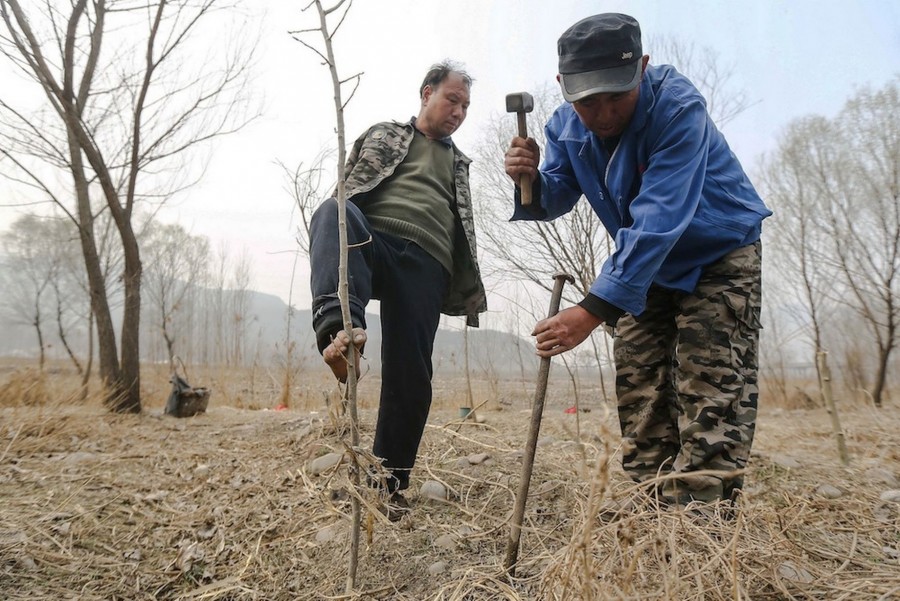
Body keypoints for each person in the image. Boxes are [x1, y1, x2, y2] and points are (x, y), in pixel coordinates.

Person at [504, 13, 772, 506]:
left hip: (717, 256)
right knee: (640, 385)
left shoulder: (677, 108)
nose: (603, 114)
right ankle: (653, 509)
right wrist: (530, 180)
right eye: (587, 101)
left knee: (709, 389)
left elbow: (657, 220)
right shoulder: (566, 124)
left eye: (617, 96)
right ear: (563, 86)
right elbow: (558, 193)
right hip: (644, 270)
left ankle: (700, 532)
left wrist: (591, 311)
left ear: (643, 68)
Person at [309, 61, 486, 513]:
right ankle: (339, 335)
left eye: (466, 105)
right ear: (426, 93)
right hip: (375, 240)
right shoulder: (383, 133)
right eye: (452, 99)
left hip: (429, 261)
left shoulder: (459, 163)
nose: (459, 111)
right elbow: (347, 187)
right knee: (332, 211)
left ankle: (386, 487)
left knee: (411, 371)